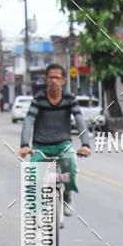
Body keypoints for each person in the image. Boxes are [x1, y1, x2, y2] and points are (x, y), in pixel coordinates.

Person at [19, 64, 91, 213]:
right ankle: (34, 212)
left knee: (70, 166)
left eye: (57, 78)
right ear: (46, 79)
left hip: (62, 144)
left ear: (63, 80)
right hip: (41, 146)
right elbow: (28, 121)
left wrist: (85, 144)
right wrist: (25, 144)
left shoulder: (69, 98)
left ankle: (67, 195)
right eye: (51, 77)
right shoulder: (39, 99)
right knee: (33, 177)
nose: (54, 81)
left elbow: (79, 120)